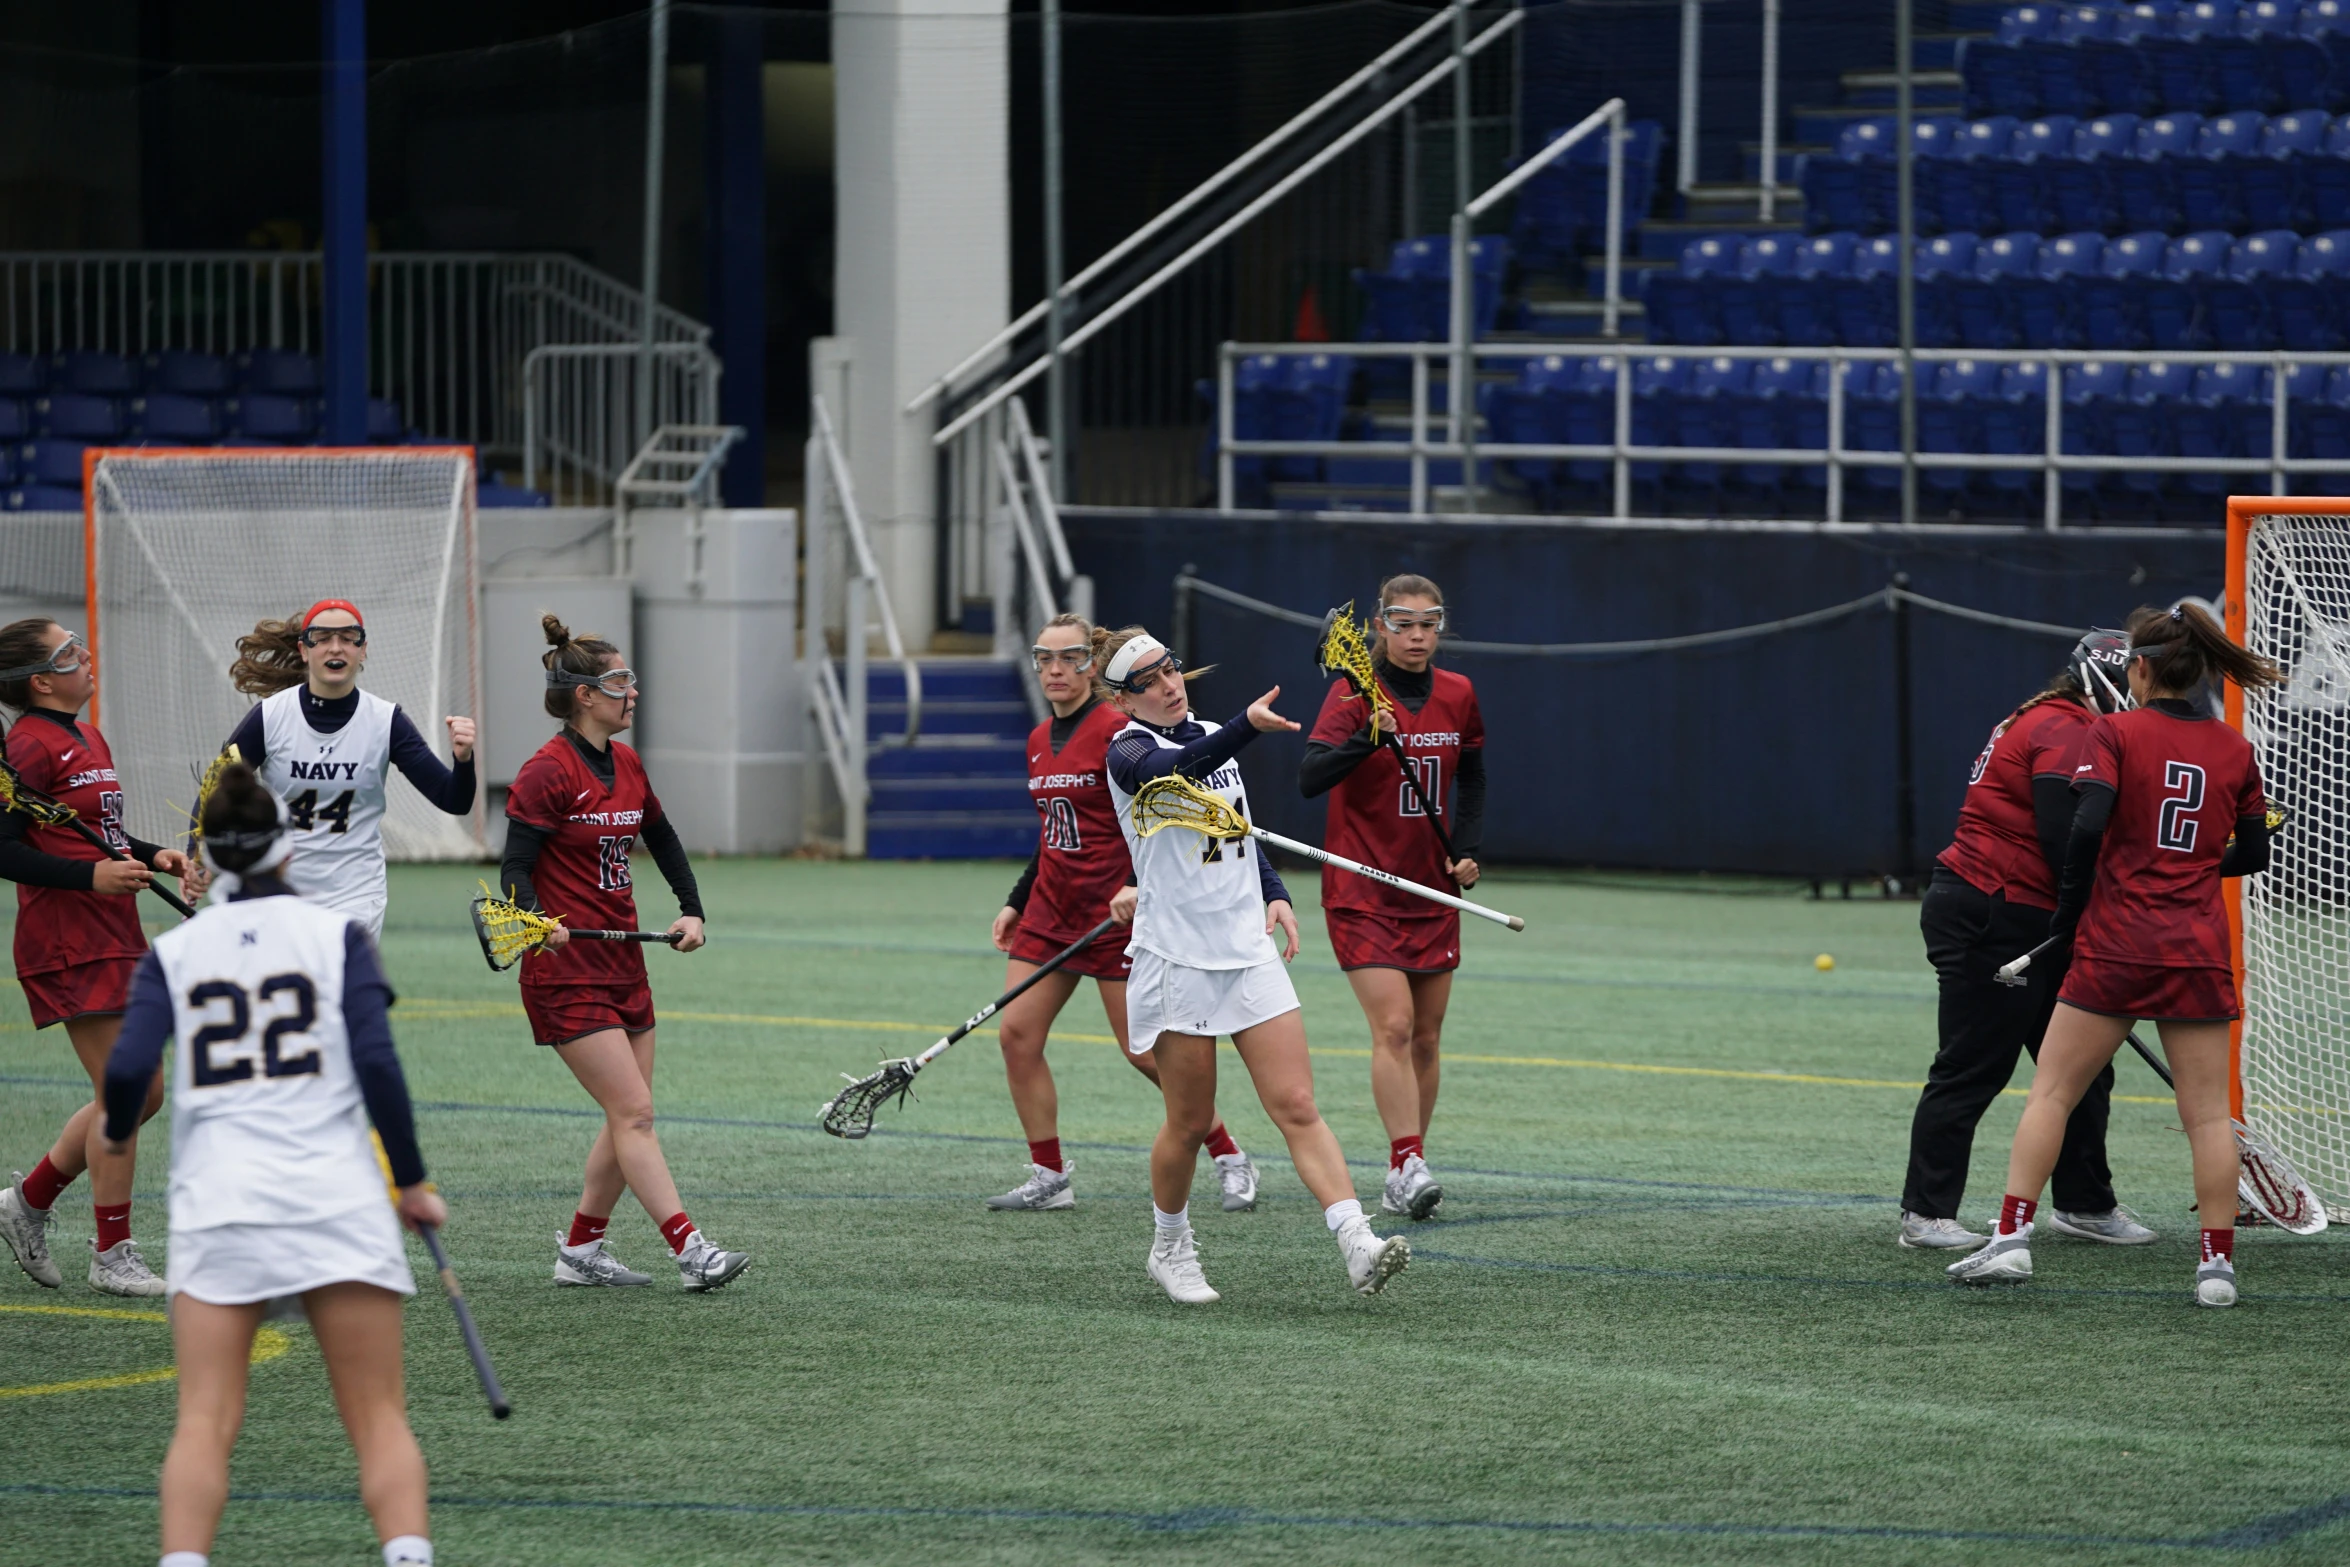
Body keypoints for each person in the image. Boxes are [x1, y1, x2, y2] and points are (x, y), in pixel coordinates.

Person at [101, 761, 441, 1567]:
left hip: (223, 1207)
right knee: (378, 1416)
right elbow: (378, 1066)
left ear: (211, 857)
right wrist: (414, 1182)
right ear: (286, 850)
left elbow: (125, 1072)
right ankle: (407, 1554)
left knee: (205, 1420)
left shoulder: (177, 950)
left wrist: (117, 1131)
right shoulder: (337, 937)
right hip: (335, 1201)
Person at [1949, 603, 2281, 1307]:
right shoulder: (2234, 747)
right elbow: (2252, 851)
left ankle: (2009, 1239)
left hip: (2117, 943)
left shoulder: (2113, 729)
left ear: (2139, 667)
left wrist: (2071, 912)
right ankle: (2217, 1268)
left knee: (2054, 1092)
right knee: (2208, 1116)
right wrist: (2187, 865)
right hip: (2195, 946)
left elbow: (2086, 827)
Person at [1099, 626, 1411, 1303]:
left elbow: (1237, 825)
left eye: (1170, 668)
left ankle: (1357, 1240)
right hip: (1177, 956)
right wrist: (1246, 725)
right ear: (1124, 698)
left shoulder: (1212, 731)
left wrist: (1274, 893)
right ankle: (1170, 1247)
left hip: (1245, 949)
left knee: (1297, 1102)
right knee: (1189, 1120)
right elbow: (1170, 774)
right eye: (1148, 679)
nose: (1168, 683)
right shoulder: (1127, 751)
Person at [503, 614, 745, 1292]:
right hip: (565, 970)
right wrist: (534, 919)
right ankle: (691, 1250)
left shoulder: (629, 764)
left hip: (623, 963)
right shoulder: (545, 772)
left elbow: (663, 839)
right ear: (583, 694)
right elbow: (515, 867)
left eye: (630, 679)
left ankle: (581, 1250)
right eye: (618, 681)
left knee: (628, 1112)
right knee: (634, 1112)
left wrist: (691, 908)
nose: (631, 691)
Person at [986, 613, 1258, 1214]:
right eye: (1045, 658)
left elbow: (1160, 823)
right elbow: (1053, 835)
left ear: (1094, 667)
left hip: (1118, 916)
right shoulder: (1037, 741)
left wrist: (1136, 884)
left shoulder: (1122, 731)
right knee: (1016, 1036)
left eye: (1071, 658)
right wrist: (1017, 898)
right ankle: (1049, 1174)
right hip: (1052, 911)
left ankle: (1229, 1153)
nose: (1056, 670)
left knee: (1142, 1054)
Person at [1896, 628, 2156, 1251]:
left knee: (2082, 1068)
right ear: (2112, 679)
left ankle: (2085, 1204)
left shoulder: (2054, 717)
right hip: (1994, 908)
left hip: (2025, 911)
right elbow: (2061, 837)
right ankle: (1924, 1213)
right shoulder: (2066, 728)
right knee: (1973, 1063)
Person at [0, 618, 192, 1297]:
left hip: (113, 932)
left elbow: (89, 830)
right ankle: (112, 1251)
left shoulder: (87, 734)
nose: (85, 656)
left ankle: (28, 1199)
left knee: (144, 1092)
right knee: (125, 1090)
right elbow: (5, 846)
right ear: (40, 681)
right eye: (67, 652)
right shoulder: (25, 744)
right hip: (65, 939)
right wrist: (93, 879)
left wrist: (148, 854)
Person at [1300, 573, 1485, 1221]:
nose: (1415, 636)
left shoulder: (1459, 693)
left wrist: (1464, 847)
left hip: (1432, 889)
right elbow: (1309, 777)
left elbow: (1475, 773)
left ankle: (1404, 1167)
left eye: (1427, 623)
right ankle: (1409, 1159)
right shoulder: (1352, 693)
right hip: (1362, 888)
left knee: (1429, 1037)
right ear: (1379, 626)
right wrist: (1366, 739)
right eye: (1402, 623)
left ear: (1442, 626)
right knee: (1396, 1026)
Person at [218, 599, 477, 939]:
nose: (335, 647)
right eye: (322, 637)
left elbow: (453, 800)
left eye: (348, 637)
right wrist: (197, 857)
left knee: (338, 987)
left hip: (355, 894)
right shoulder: (270, 716)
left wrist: (463, 759)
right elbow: (216, 786)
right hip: (278, 888)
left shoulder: (386, 721)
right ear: (304, 649)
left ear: (363, 649)